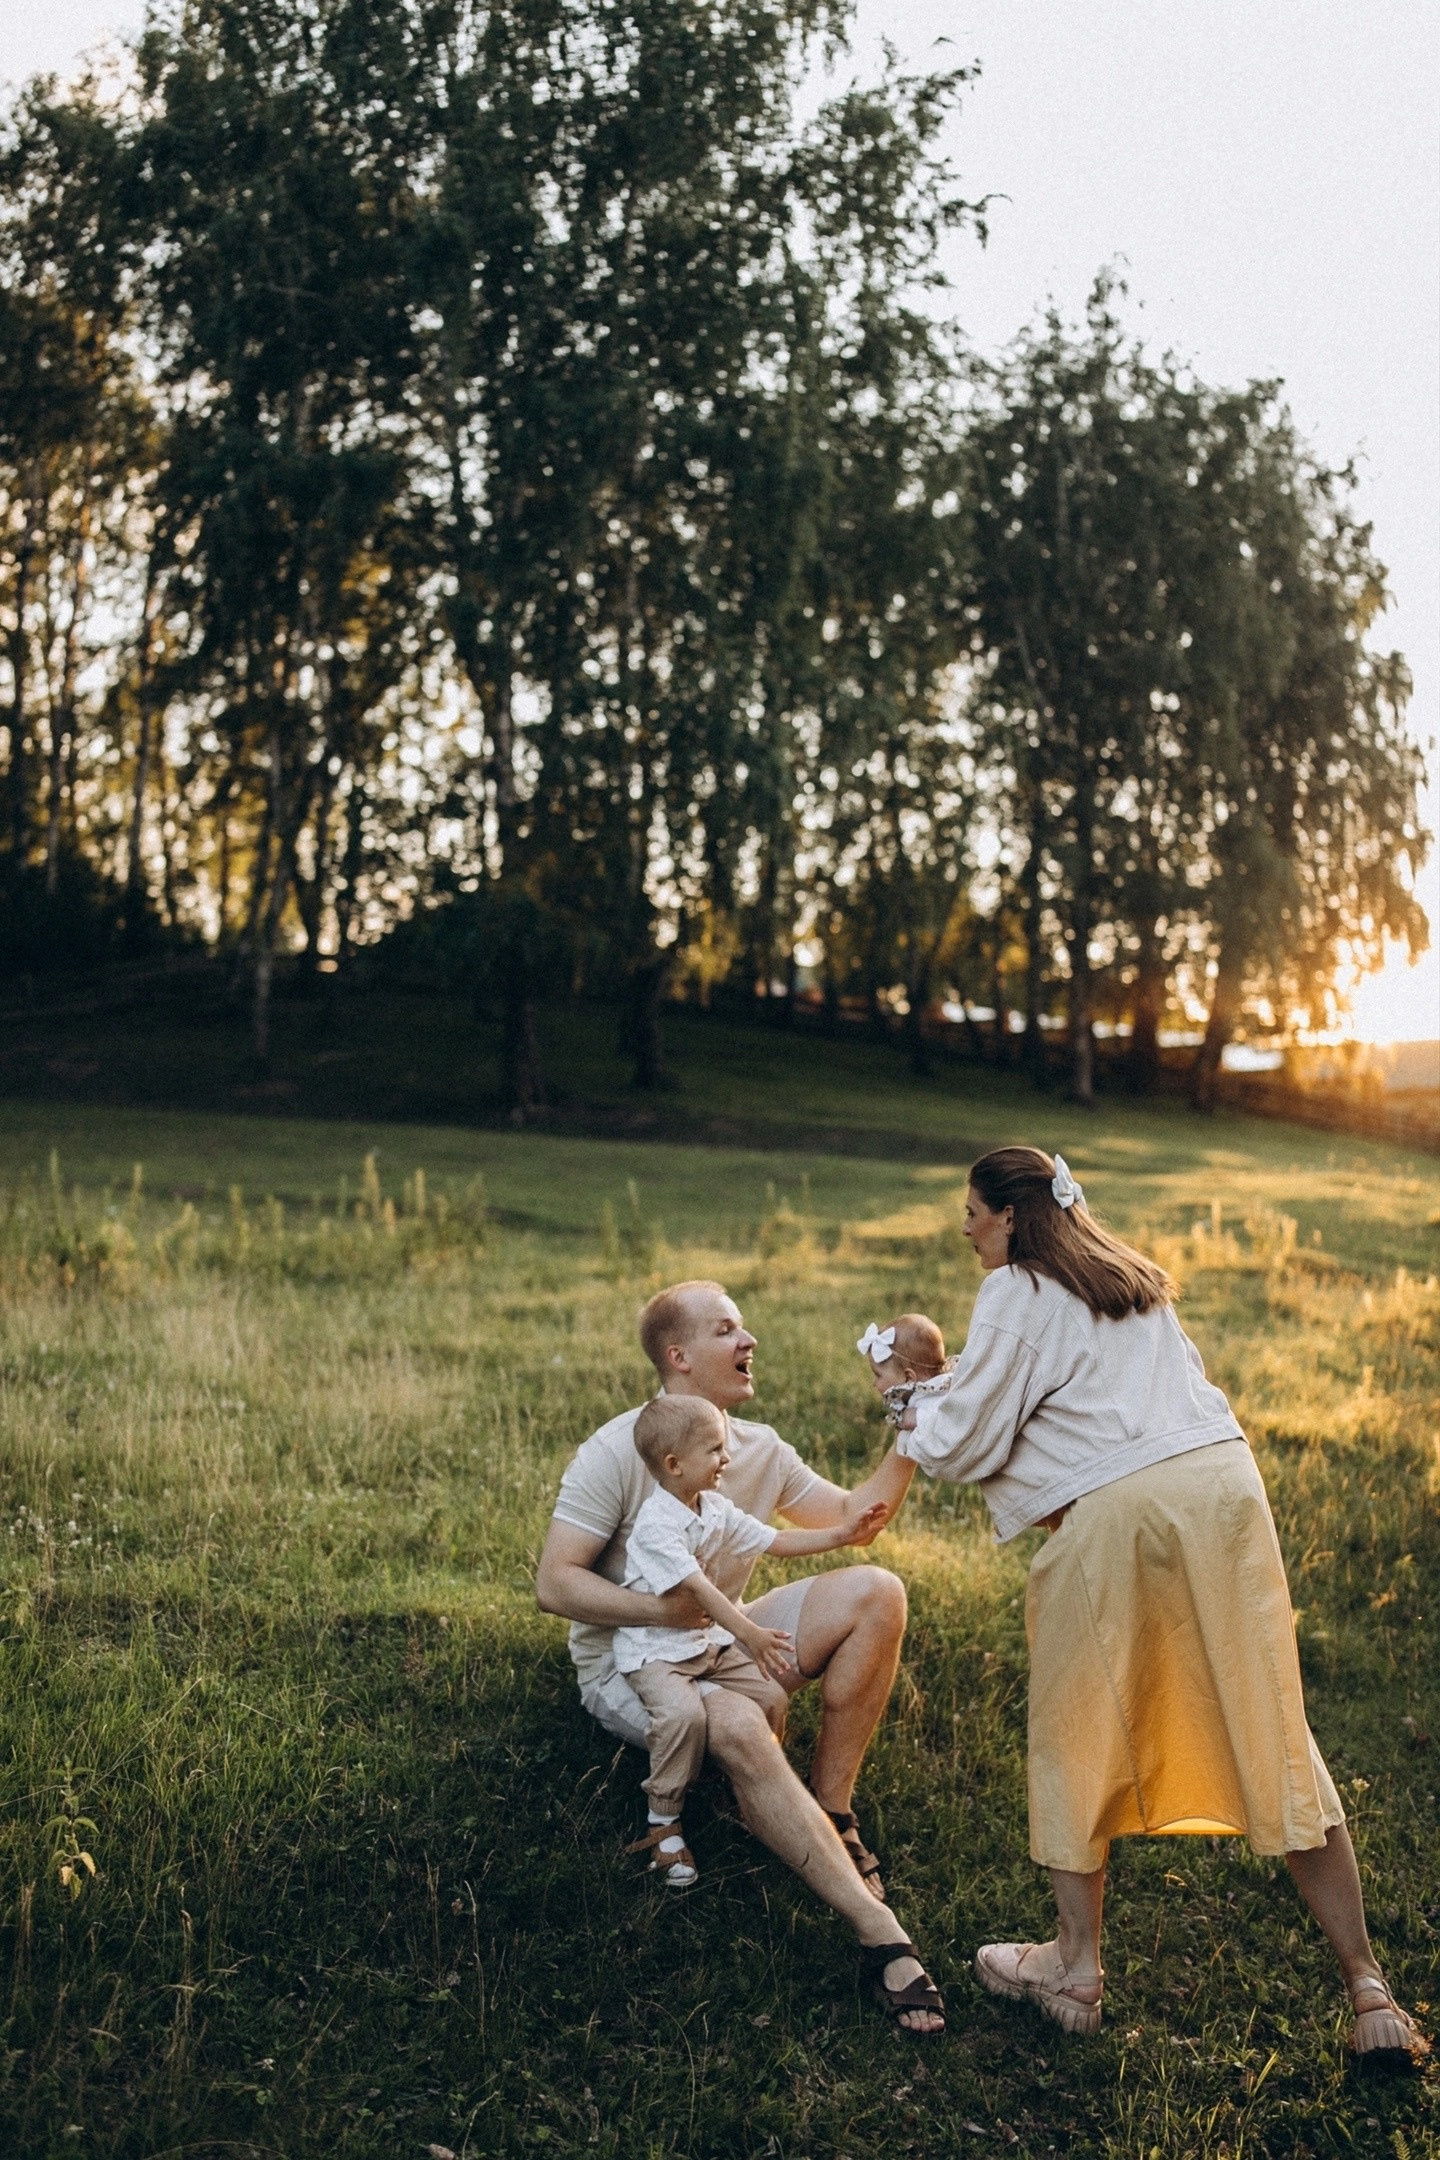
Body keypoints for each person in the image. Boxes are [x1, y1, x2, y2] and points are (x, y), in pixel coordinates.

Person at [894, 1145, 1427, 2060]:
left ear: (1013, 1216)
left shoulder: (1015, 1291)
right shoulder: (1131, 1280)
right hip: (1224, 1489)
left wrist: (906, 1401)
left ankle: (1075, 1968)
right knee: (1272, 1722)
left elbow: (967, 1439)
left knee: (1077, 1724)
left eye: (973, 1212)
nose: (966, 1228)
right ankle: (1369, 1988)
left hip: (1129, 1510)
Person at [535, 1277, 944, 2033]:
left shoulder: (755, 1449)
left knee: (877, 1591)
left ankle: (830, 1810)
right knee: (744, 1728)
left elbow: (855, 1520)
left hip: (719, 1636)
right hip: (634, 1661)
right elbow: (554, 1582)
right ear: (679, 1356)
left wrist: (913, 1425)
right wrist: (667, 1609)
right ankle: (877, 1930)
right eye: (728, 1330)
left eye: (744, 1327)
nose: (749, 1341)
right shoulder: (619, 1447)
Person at [616, 1394, 886, 1888]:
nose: (726, 1459)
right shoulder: (656, 1525)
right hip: (658, 1653)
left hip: (704, 1643)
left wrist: (843, 1534)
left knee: (771, 1696)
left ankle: (750, 1790)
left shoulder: (713, 1508)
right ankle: (664, 1821)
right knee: (683, 1716)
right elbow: (699, 1591)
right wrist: (751, 1635)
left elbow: (775, 1541)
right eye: (715, 1450)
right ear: (675, 1465)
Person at [856, 1313, 953, 1427]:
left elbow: (949, 1419)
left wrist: (913, 1417)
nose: (874, 1383)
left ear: (909, 1378)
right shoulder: (917, 1395)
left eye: (878, 1375)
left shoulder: (937, 1398)